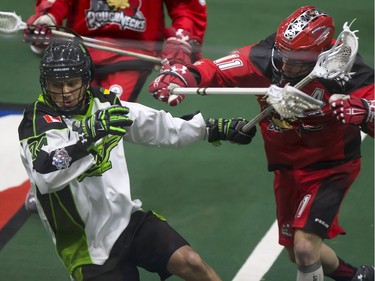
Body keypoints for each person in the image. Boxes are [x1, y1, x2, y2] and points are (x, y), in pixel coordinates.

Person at [148, 5, 374, 281]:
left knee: (304, 249)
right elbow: (216, 71)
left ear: (319, 55)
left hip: (331, 167)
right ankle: (356, 276)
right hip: (287, 167)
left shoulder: (349, 72)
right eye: (283, 55)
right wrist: (183, 76)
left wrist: (367, 111)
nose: (284, 66)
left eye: (296, 61)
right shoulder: (266, 56)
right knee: (295, 250)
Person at [18, 39, 256, 281]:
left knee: (191, 262)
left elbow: (156, 125)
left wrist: (210, 129)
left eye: (72, 83)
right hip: (88, 249)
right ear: (45, 83)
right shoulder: (36, 123)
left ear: (86, 79)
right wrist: (88, 134)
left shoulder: (105, 103)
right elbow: (45, 176)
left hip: (127, 221)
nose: (65, 92)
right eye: (56, 85)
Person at [23, 0, 208, 211]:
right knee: (65, 111)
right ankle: (56, 179)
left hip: (132, 49)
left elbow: (186, 6)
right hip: (80, 45)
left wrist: (182, 36)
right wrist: (49, 15)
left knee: (107, 121)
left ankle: (97, 195)